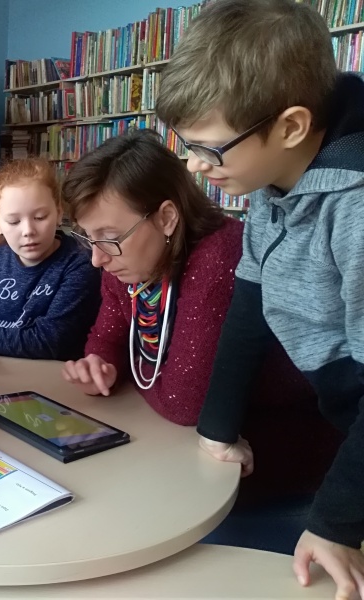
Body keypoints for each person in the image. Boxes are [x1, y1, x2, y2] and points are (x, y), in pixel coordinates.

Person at [155, 0, 364, 595]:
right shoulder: (270, 178)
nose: (194, 166)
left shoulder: (355, 210)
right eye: (187, 144)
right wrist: (218, 425)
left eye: (211, 149)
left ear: (291, 127)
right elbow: (250, 307)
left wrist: (336, 524)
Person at [60, 129, 341, 550]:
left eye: (110, 237)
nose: (98, 258)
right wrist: (99, 363)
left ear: (166, 218)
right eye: (88, 238)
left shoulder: (220, 256)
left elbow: (186, 403)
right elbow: (106, 337)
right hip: (188, 464)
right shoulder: (129, 262)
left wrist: (134, 374)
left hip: (278, 480)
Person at [0, 157, 101, 360]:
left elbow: (50, 341)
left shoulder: (80, 264)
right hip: (6, 365)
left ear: (59, 213)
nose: (28, 231)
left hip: (53, 371)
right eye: (13, 221)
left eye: (40, 217)